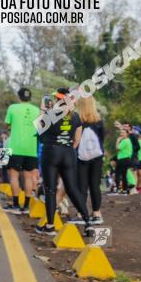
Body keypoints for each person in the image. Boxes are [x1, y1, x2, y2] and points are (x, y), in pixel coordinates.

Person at [36, 88, 92, 236]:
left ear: (59, 100)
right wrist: (67, 148)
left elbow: (39, 129)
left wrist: (42, 110)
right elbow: (77, 139)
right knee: (72, 188)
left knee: (50, 189)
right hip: (68, 153)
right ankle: (88, 223)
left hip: (51, 152)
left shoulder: (49, 114)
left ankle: (50, 226)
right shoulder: (75, 116)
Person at [3, 88, 41, 211]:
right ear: (30, 97)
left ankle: (15, 204)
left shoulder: (12, 108)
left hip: (15, 147)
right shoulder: (37, 110)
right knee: (28, 177)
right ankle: (26, 206)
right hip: (31, 148)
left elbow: (7, 125)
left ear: (18, 97)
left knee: (13, 176)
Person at [75, 96, 104, 225]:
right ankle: (97, 213)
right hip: (97, 157)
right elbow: (101, 139)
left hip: (81, 157)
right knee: (95, 185)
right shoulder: (99, 121)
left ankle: (81, 213)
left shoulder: (76, 120)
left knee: (82, 185)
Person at [114, 123, 133, 194]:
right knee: (124, 175)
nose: (121, 134)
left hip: (122, 159)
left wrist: (117, 140)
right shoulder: (128, 140)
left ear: (127, 134)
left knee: (117, 174)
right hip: (127, 159)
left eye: (123, 133)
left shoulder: (125, 141)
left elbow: (117, 148)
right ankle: (125, 189)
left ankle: (118, 189)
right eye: (121, 133)